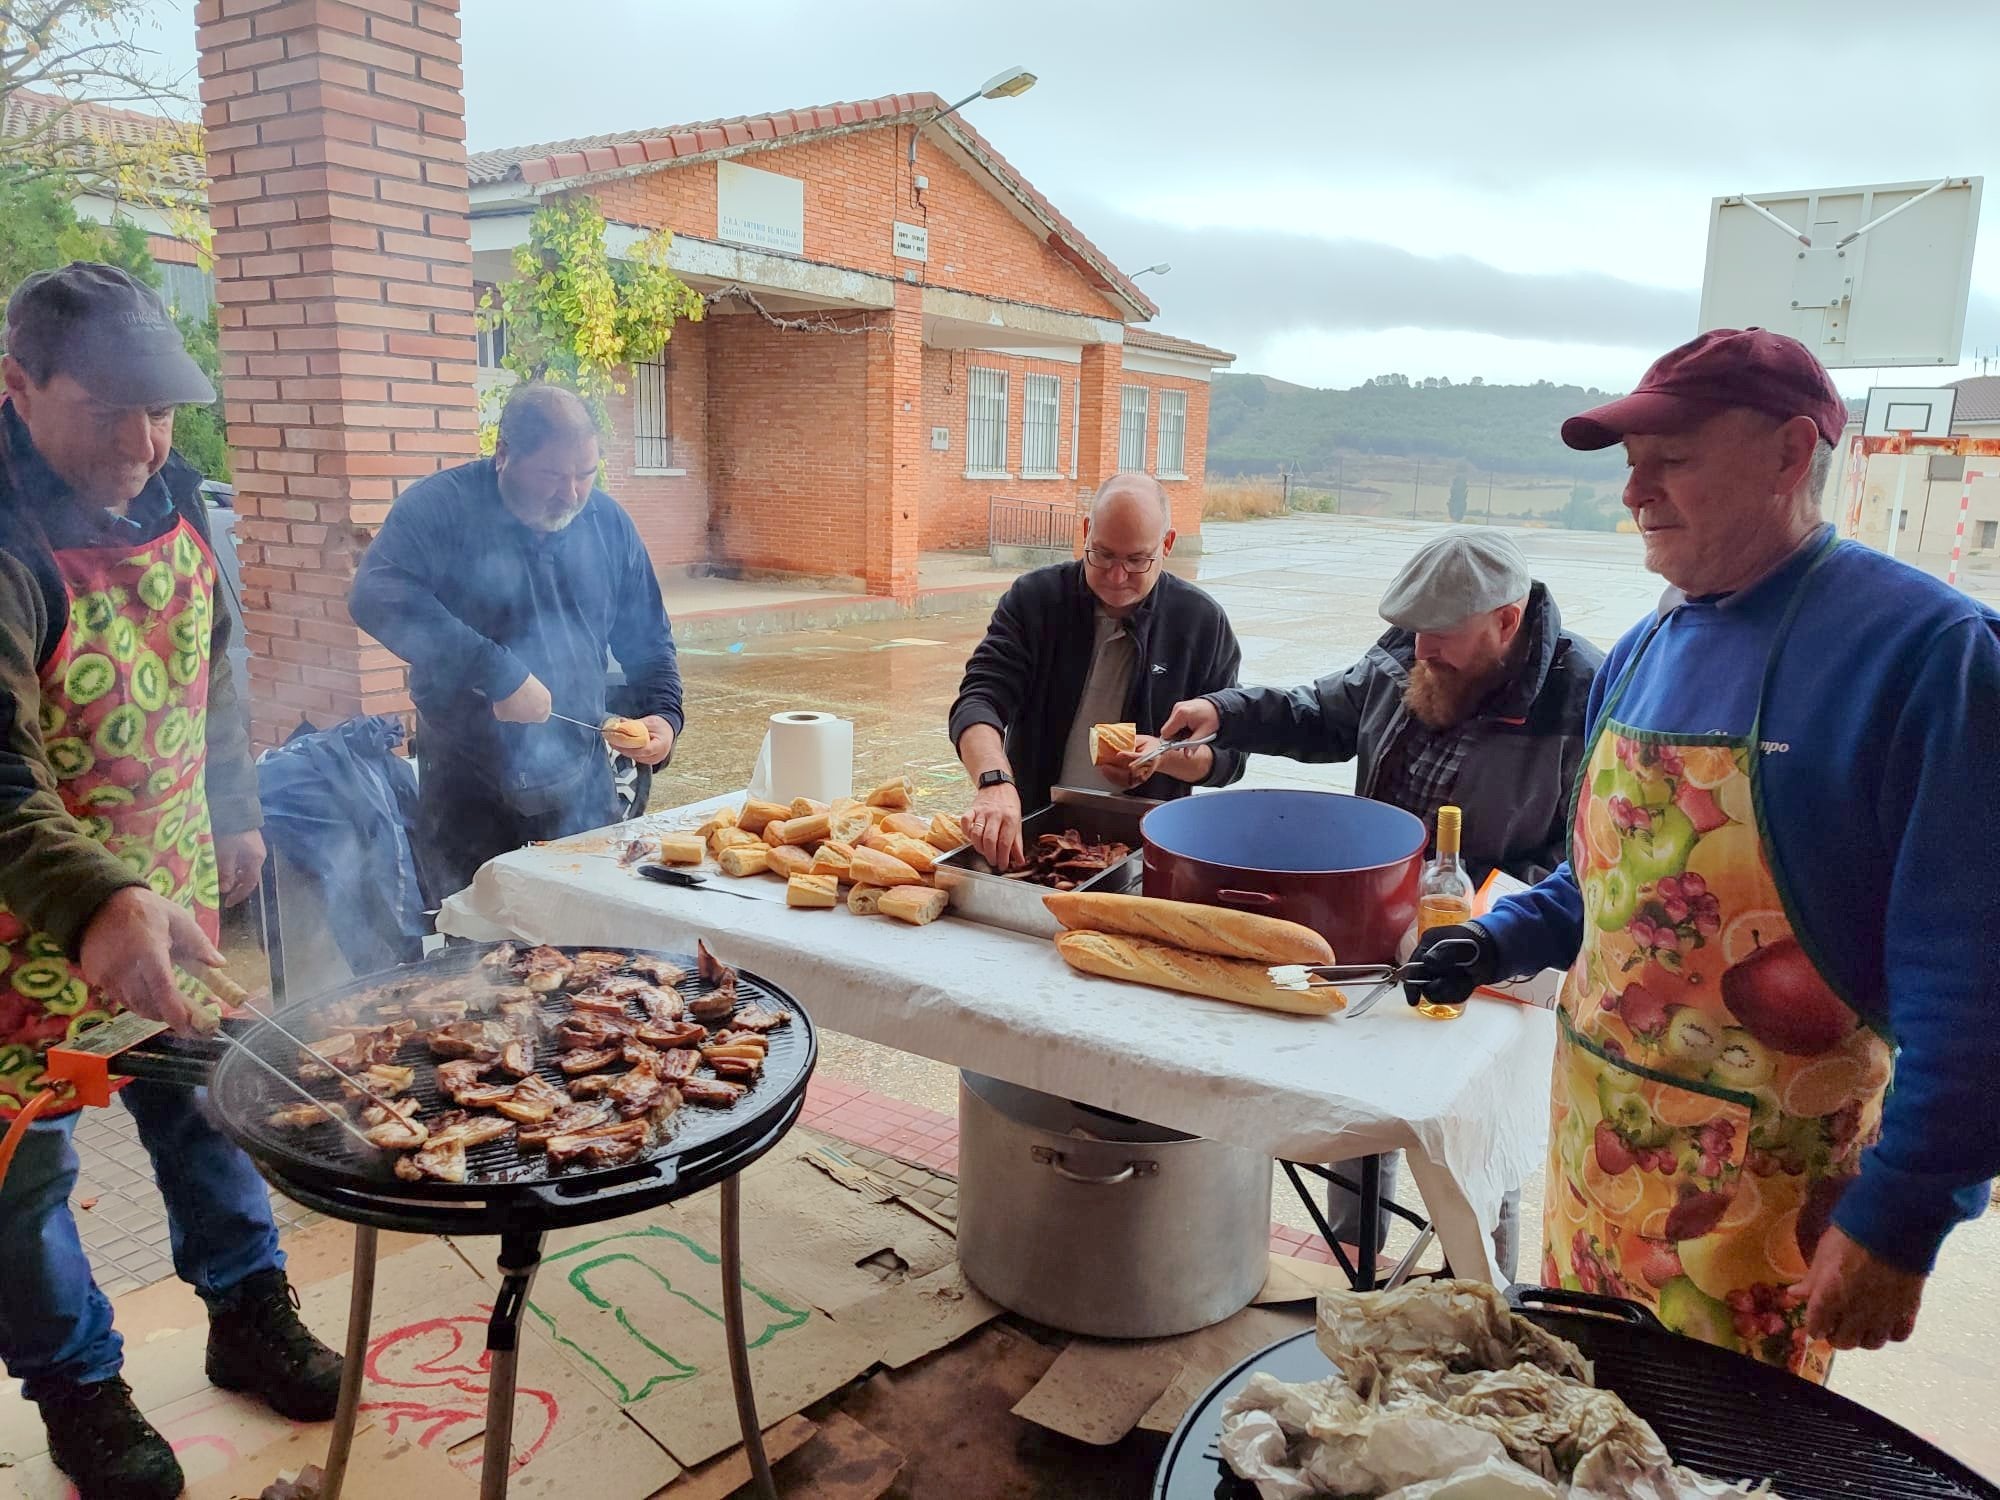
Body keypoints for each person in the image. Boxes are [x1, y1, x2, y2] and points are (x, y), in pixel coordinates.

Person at [1407, 328, 2000, 1380]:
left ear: (1786, 453)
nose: (1632, 492)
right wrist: (1493, 942)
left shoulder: (1926, 653)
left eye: (1669, 459)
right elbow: (1610, 885)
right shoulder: (1643, 646)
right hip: (1596, 1153)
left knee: (1720, 1471)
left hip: (1759, 1201)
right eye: (1627, 465)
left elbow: (1973, 979)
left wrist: (1902, 1214)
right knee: (1579, 1421)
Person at [0, 263, 342, 1500]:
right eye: (113, 415)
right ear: (20, 386)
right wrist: (97, 902)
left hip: (170, 875)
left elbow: (221, 654)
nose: (146, 445)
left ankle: (248, 1314)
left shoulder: (176, 489)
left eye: (166, 411)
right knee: (26, 1186)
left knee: (212, 1108)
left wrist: (232, 809)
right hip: (21, 925)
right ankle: (82, 1395)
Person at [1162, 528, 1603, 1277]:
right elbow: (1322, 712)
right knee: (1357, 1131)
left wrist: (1482, 913)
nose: (1424, 650)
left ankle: (1480, 1300)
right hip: (1379, 943)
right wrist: (1224, 711)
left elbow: (1591, 854)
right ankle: (1353, 1270)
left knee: (1471, 1152)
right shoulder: (1410, 647)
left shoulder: (1585, 688)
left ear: (1507, 619)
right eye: (1416, 630)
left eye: (1444, 635)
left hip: (1490, 958)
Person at [350, 384, 683, 897]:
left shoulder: (607, 523)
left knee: (598, 947)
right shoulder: (442, 508)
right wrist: (496, 672)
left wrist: (663, 714)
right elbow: (375, 594)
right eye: (552, 475)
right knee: (484, 958)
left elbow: (649, 639)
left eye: (585, 475)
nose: (570, 494)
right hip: (470, 786)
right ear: (503, 455)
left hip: (583, 785)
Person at [948, 473, 1245, 869]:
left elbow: (1229, 756)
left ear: (1167, 545)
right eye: (1102, 554)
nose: (1116, 576)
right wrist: (994, 783)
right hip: (1033, 832)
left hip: (1145, 848)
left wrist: (1163, 755)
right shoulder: (1036, 600)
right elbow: (979, 700)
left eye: (1137, 560)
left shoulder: (1201, 623)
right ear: (1086, 532)